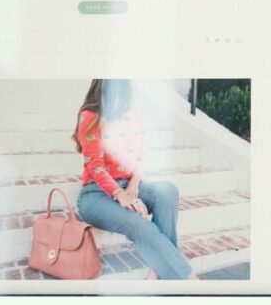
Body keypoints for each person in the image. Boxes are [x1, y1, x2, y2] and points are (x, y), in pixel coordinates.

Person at [72, 78, 193, 280]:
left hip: (129, 185)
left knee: (167, 191)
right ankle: (190, 282)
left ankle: (157, 270)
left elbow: (140, 157)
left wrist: (133, 188)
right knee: (140, 223)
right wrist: (119, 194)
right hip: (95, 194)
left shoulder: (134, 115)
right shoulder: (90, 116)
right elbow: (95, 166)